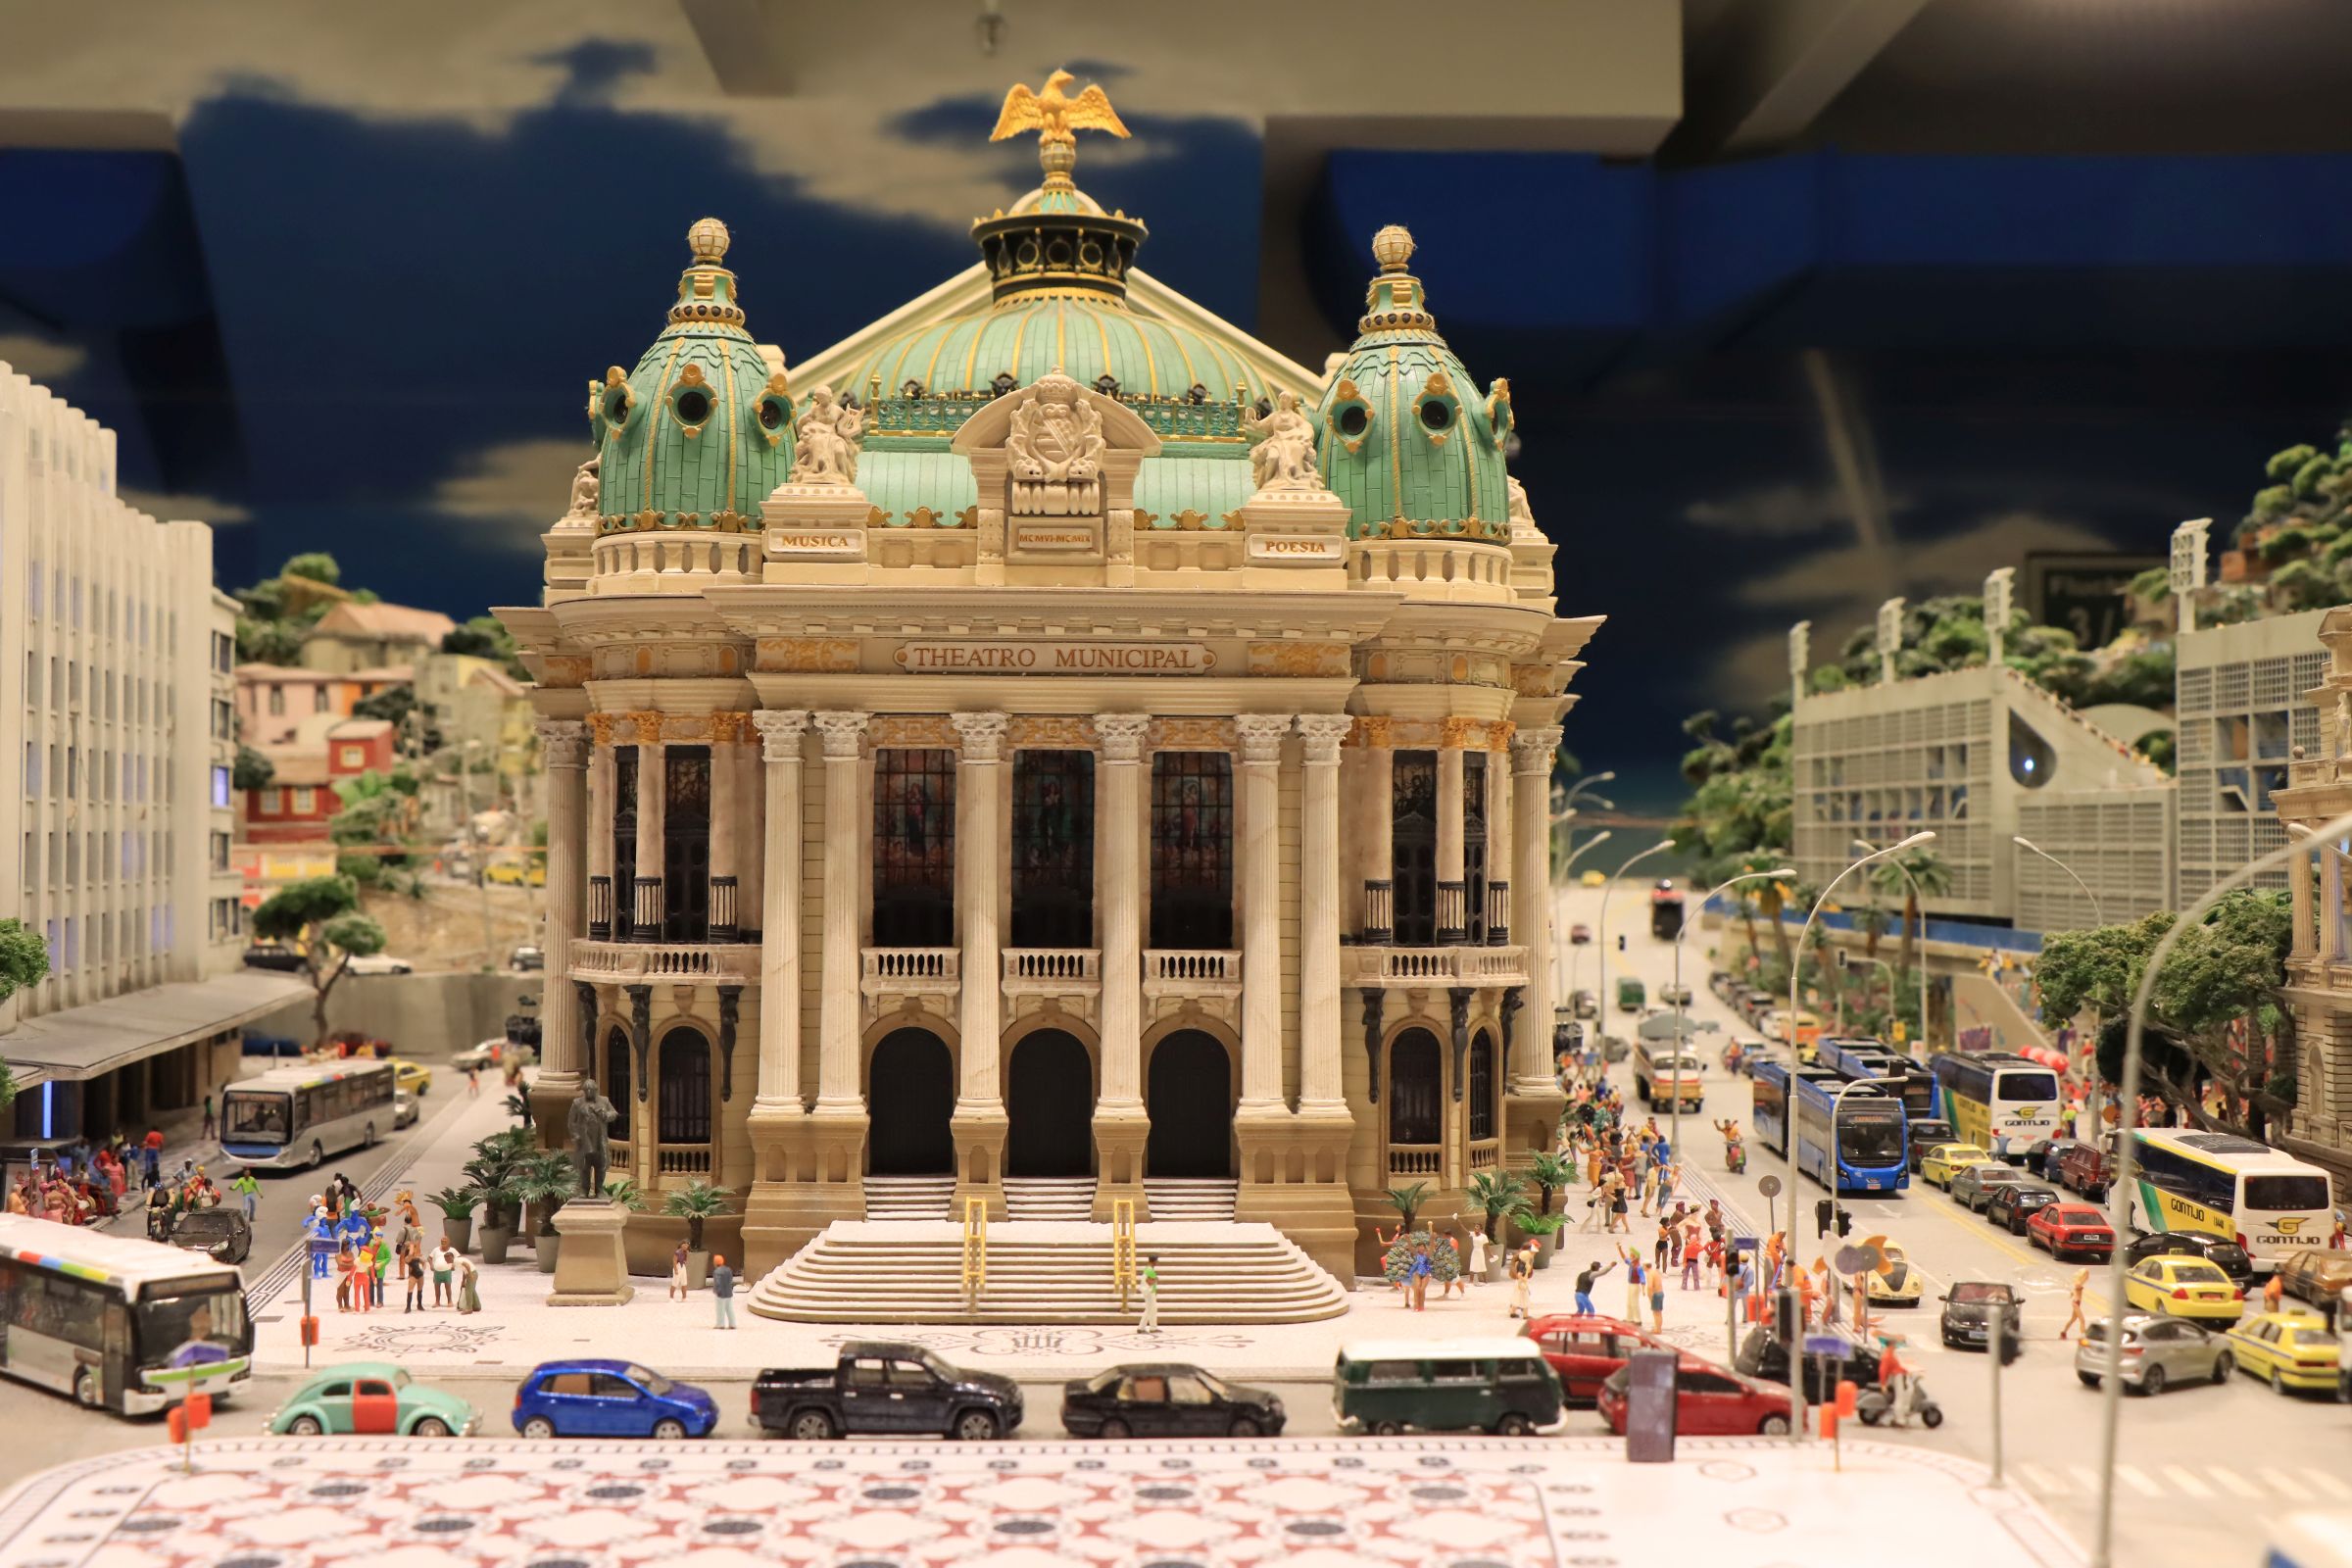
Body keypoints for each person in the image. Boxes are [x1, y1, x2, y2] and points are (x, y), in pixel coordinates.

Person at [1507, 1243, 1538, 1318]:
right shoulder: (1523, 1265)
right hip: (1521, 1282)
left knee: (1517, 1297)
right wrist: (1524, 1280)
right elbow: (1519, 1275)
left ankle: (1513, 1312)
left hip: (1519, 1282)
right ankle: (1525, 1315)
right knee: (1525, 1299)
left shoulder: (1522, 1262)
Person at [2060, 1267, 2088, 1340]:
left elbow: (2074, 1291)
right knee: (2082, 1320)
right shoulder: (2078, 1283)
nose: (2086, 1276)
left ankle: (2063, 1333)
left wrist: (2072, 1294)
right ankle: (2083, 1336)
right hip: (2076, 1303)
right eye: (2085, 1275)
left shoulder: (2078, 1282)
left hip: (2076, 1303)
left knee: (2073, 1319)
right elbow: (2077, 1287)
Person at [711, 1254, 737, 1328]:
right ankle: (732, 1324)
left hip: (721, 1294)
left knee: (720, 1309)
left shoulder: (717, 1271)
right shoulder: (728, 1269)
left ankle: (720, 1324)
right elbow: (730, 1280)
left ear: (715, 1262)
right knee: (730, 1309)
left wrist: (716, 1290)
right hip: (729, 1292)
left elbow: (717, 1282)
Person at [1140, 1253, 1162, 1333]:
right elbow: (1150, 1282)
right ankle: (1144, 1328)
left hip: (1150, 1291)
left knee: (1150, 1309)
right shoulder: (1150, 1270)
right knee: (1150, 1309)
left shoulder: (1148, 1269)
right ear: (1154, 1261)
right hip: (1149, 1292)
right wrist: (1156, 1279)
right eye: (1156, 1261)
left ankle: (1149, 1327)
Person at [429, 1242, 457, 1307]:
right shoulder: (436, 1249)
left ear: (448, 1242)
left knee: (448, 1287)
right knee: (437, 1287)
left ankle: (449, 1301)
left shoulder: (452, 1250)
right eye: (442, 1241)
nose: (443, 1242)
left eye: (445, 1241)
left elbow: (458, 1257)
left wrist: (453, 1265)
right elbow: (429, 1258)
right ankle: (437, 1302)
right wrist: (431, 1265)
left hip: (447, 1271)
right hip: (437, 1272)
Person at [404, 1243, 426, 1312]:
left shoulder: (416, 1258)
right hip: (413, 1275)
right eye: (412, 1248)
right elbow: (410, 1254)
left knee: (420, 1290)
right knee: (410, 1290)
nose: (413, 1249)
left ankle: (419, 1305)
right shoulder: (407, 1258)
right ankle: (408, 1307)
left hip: (420, 1275)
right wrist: (411, 1245)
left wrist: (423, 1270)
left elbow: (424, 1262)